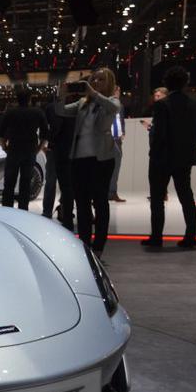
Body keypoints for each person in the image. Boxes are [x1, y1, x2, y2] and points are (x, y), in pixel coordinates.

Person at [56, 68, 122, 255]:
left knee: (100, 202)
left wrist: (93, 93)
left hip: (102, 159)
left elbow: (114, 109)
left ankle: (99, 245)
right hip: (79, 159)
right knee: (82, 203)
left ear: (109, 83)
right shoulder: (83, 103)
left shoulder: (111, 101)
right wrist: (61, 95)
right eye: (94, 79)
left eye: (101, 79)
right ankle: (85, 244)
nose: (96, 82)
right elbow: (60, 111)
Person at [143, 66, 196, 249]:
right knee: (186, 195)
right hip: (185, 158)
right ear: (185, 82)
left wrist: (154, 152)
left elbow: (159, 134)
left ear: (167, 83)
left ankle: (156, 237)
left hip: (162, 158)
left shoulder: (162, 105)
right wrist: (190, 148)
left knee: (157, 198)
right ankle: (191, 236)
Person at [0, 87, 48, 210]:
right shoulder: (38, 112)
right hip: (30, 151)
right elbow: (45, 135)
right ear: (30, 99)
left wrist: (4, 147)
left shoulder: (10, 112)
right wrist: (38, 149)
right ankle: (23, 211)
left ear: (17, 99)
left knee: (9, 184)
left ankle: (7, 211)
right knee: (25, 184)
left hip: (13, 150)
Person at [42, 92, 77, 229]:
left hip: (56, 149)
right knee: (68, 185)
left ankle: (48, 212)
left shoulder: (53, 107)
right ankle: (64, 213)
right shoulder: (74, 107)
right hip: (70, 150)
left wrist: (46, 142)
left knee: (52, 182)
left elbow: (49, 127)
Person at [141, 87, 169, 203]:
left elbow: (162, 131)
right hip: (157, 148)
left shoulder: (164, 110)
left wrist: (150, 128)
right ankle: (162, 194)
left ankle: (160, 195)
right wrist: (150, 127)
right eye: (155, 96)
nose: (156, 98)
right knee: (159, 175)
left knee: (157, 175)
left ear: (165, 96)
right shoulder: (159, 110)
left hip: (160, 149)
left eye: (158, 96)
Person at [108, 86, 126, 202]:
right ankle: (104, 193)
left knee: (116, 168)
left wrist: (123, 132)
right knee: (106, 167)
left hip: (118, 139)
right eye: (115, 91)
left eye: (118, 91)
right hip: (108, 140)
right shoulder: (106, 105)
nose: (117, 93)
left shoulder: (121, 106)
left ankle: (112, 192)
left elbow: (121, 120)